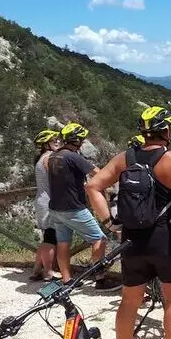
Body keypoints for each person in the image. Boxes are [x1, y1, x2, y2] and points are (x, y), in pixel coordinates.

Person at [86, 107, 171, 339]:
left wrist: (109, 223)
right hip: (168, 238)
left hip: (132, 240)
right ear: (166, 131)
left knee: (129, 301)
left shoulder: (124, 158)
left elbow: (92, 187)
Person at [47, 122, 120, 292]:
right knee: (100, 239)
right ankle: (99, 278)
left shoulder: (53, 156)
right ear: (77, 140)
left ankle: (67, 280)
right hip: (73, 208)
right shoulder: (73, 157)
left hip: (55, 208)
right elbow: (99, 173)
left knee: (64, 243)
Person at [30, 129, 61, 281]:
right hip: (49, 201)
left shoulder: (41, 158)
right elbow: (58, 178)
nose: (58, 142)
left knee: (47, 236)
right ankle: (49, 272)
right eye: (54, 140)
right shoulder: (49, 158)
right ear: (46, 144)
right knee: (51, 237)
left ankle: (36, 269)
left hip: (42, 200)